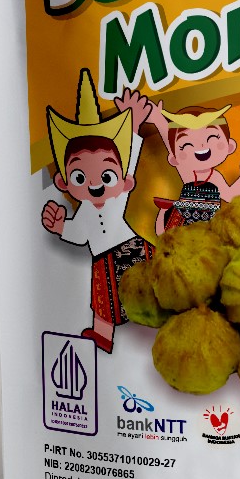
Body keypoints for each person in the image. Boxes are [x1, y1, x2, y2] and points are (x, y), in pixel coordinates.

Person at [41, 68, 152, 353]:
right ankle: (103, 335)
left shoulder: (118, 198)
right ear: (63, 182)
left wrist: (134, 128)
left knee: (154, 286)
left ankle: (161, 324)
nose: (95, 185)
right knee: (103, 301)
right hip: (103, 259)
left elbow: (130, 161)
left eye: (106, 176)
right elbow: (79, 235)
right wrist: (60, 226)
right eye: (80, 177)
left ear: (125, 182)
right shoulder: (85, 213)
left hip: (133, 247)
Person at [147, 101, 240, 233]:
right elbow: (169, 143)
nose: (201, 146)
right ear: (174, 159)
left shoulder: (215, 177)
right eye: (186, 145)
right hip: (182, 219)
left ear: (230, 146)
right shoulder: (188, 172)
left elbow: (229, 196)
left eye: (212, 138)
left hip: (206, 226)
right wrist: (158, 119)